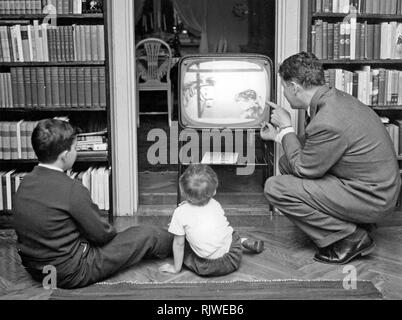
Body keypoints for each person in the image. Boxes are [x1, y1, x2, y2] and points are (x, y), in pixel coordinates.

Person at [260, 52, 401, 265]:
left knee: (275, 187)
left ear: (295, 87)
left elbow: (305, 169)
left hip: (373, 197)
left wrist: (287, 126)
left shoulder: (328, 118)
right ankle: (347, 223)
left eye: (284, 87)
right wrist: (279, 135)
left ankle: (351, 237)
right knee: (285, 163)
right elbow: (313, 148)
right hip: (369, 186)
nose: (284, 93)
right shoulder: (333, 99)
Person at [13, 119, 173, 289]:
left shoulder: (24, 183)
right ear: (65, 155)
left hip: (37, 270)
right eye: (75, 148)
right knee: (146, 234)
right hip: (71, 272)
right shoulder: (71, 188)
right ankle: (184, 241)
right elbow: (102, 235)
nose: (76, 152)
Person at [159, 164, 264, 276]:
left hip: (207, 267)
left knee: (181, 241)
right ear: (213, 192)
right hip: (233, 256)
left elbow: (179, 245)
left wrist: (176, 268)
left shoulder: (180, 212)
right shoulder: (215, 204)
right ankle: (242, 242)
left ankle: (241, 242)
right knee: (228, 232)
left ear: (183, 192)